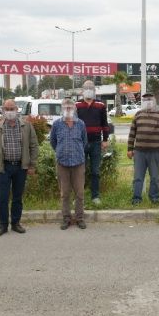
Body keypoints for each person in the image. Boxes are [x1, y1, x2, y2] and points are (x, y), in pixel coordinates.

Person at [0, 99, 39, 237]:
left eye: (12, 109)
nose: (9, 112)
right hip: (3, 167)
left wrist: (32, 165)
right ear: (2, 110)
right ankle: (3, 225)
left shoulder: (26, 126)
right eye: (7, 109)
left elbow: (34, 146)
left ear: (17, 109)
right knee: (3, 197)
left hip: (21, 167)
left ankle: (16, 223)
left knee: (17, 197)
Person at [50, 98, 89, 230]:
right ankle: (66, 218)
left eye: (70, 107)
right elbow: (53, 142)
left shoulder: (81, 124)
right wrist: (61, 152)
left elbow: (84, 142)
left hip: (78, 163)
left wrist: (76, 152)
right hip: (62, 164)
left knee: (79, 193)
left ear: (75, 109)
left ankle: (79, 218)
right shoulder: (56, 124)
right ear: (61, 109)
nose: (68, 109)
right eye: (65, 107)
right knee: (64, 193)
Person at [127, 93, 159, 205]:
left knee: (155, 177)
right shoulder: (138, 115)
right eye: (145, 100)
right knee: (138, 177)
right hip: (139, 152)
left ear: (154, 101)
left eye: (150, 99)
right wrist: (129, 149)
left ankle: (154, 198)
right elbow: (132, 133)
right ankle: (136, 198)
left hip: (155, 152)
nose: (148, 101)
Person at [75, 80, 109, 206]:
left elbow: (104, 124)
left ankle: (95, 196)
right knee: (80, 171)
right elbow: (73, 123)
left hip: (96, 142)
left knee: (95, 171)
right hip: (80, 143)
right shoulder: (77, 105)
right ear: (82, 90)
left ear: (95, 90)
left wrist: (105, 139)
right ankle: (79, 197)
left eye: (91, 87)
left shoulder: (101, 105)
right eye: (86, 87)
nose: (88, 89)